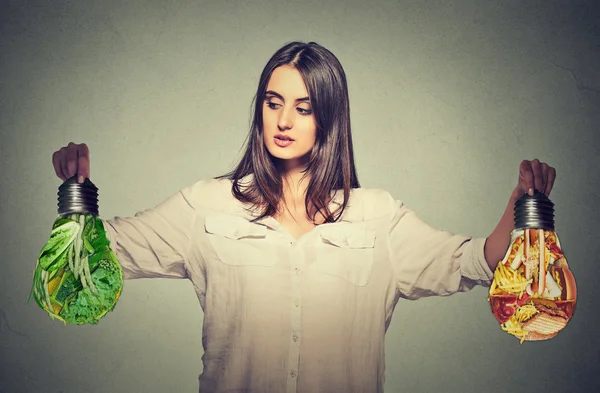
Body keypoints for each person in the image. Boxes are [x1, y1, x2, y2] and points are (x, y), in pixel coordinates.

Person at [51, 41, 556, 393]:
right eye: (273, 103)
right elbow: (100, 255)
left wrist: (521, 211)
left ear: (329, 118)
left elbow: (471, 261)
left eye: (303, 106)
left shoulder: (378, 215)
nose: (284, 120)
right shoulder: (207, 205)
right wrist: (77, 195)